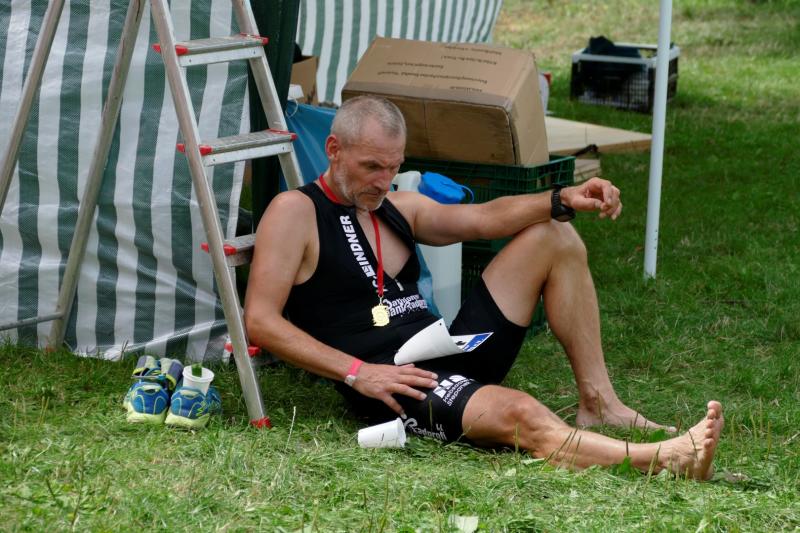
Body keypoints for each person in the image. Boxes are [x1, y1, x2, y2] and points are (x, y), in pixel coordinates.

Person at [244, 95, 723, 479]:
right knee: (522, 414)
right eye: (372, 167)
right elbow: (260, 321)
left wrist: (561, 198)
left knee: (554, 236)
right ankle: (664, 459)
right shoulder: (295, 212)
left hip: (447, 347)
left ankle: (599, 403)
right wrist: (357, 372)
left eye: (393, 167)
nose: (384, 181)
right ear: (334, 150)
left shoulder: (398, 206)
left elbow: (482, 218)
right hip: (393, 382)